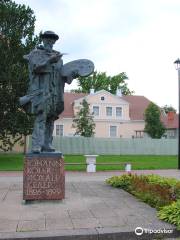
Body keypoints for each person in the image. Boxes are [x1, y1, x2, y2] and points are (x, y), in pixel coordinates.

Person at [23, 31, 77, 153]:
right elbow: (35, 68)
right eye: (48, 39)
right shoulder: (36, 54)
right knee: (41, 117)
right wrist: (49, 61)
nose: (50, 42)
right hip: (42, 92)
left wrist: (72, 75)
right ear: (43, 40)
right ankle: (37, 145)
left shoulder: (58, 58)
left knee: (51, 118)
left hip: (55, 92)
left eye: (52, 40)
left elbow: (62, 76)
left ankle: (47, 144)